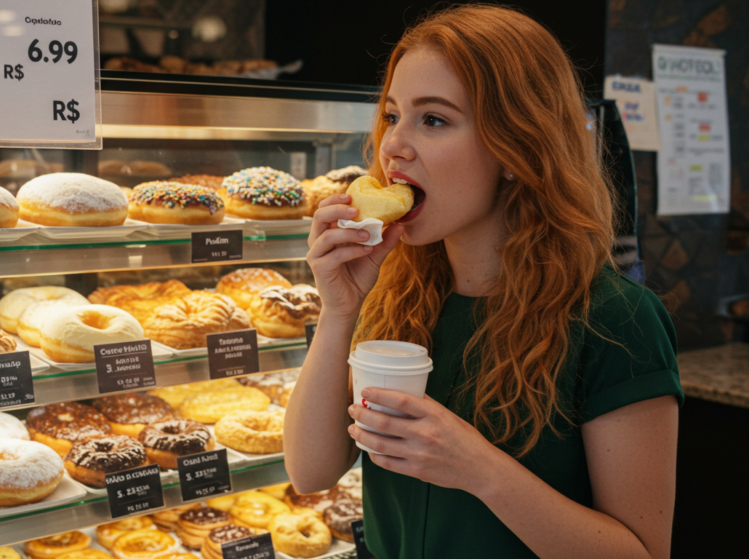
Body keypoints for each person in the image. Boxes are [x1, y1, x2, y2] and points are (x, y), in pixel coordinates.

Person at [283, 5, 682, 558]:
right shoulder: (397, 290)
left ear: (517, 147)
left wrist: (478, 468)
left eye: (434, 119)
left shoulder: (616, 318)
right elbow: (310, 471)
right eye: (393, 115)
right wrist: (338, 311)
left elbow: (641, 552)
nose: (392, 146)